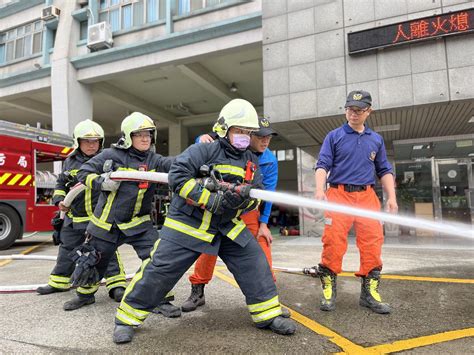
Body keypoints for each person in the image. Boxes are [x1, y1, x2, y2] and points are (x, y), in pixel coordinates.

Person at [113, 99, 296, 344]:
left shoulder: (251, 161)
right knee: (160, 271)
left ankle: (267, 314)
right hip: (188, 223)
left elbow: (256, 196)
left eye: (248, 132)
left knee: (254, 261)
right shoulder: (204, 150)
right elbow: (177, 177)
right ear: (224, 129)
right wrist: (211, 200)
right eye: (239, 131)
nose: (244, 137)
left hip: (226, 225)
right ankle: (126, 318)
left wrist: (239, 202)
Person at [64, 112, 180, 317]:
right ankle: (85, 295)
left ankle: (160, 299)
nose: (145, 138)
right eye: (139, 134)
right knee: (93, 260)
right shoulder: (111, 155)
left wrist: (199, 155)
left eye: (148, 134)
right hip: (106, 224)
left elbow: (176, 165)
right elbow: (83, 172)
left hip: (139, 223)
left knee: (157, 259)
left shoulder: (154, 160)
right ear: (128, 136)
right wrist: (102, 182)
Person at [181, 116, 289, 317]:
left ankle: (270, 297)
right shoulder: (232, 146)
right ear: (247, 134)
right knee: (208, 248)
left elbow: (269, 194)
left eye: (269, 137)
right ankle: (198, 290)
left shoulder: (269, 160)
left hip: (248, 211)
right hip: (219, 209)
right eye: (260, 136)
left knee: (262, 248)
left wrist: (264, 224)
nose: (265, 141)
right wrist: (199, 138)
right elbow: (206, 143)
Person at [314, 90, 398, 314]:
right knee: (333, 241)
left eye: (359, 110)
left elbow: (384, 170)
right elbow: (322, 164)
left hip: (367, 196)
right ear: (345, 110)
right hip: (338, 195)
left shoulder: (375, 139)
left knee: (372, 241)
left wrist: (392, 197)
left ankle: (369, 294)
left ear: (369, 111)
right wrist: (319, 189)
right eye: (350, 109)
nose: (353, 114)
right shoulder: (334, 136)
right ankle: (329, 290)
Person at [36, 119, 127, 309]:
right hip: (74, 217)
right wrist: (59, 201)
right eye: (87, 141)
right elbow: (61, 184)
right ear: (78, 142)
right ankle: (59, 282)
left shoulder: (107, 160)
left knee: (105, 252)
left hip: (99, 217)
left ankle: (116, 285)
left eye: (95, 141)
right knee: (67, 248)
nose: (92, 144)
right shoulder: (70, 161)